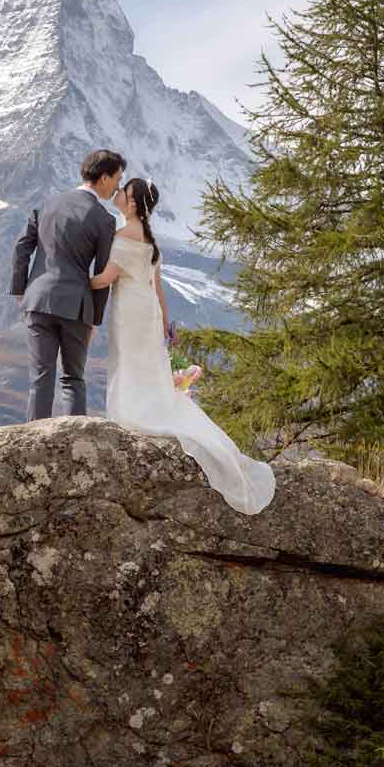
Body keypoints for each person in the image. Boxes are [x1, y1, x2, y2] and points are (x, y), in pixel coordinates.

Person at [102, 177, 274, 515]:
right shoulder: (151, 240)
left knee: (129, 362)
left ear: (133, 203)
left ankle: (131, 413)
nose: (119, 194)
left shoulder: (122, 236)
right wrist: (166, 324)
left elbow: (105, 278)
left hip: (130, 310)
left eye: (124, 192)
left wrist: (72, 277)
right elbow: (159, 287)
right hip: (148, 310)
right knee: (147, 364)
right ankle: (151, 407)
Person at [9, 149, 129, 421]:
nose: (117, 186)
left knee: (40, 377)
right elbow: (101, 273)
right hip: (76, 308)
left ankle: (33, 439)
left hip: (37, 299)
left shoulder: (47, 203)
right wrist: (94, 321)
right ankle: (73, 444)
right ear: (104, 178)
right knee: (73, 378)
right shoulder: (103, 219)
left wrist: (20, 289)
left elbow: (21, 248)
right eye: (117, 179)